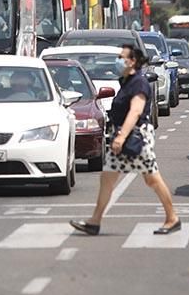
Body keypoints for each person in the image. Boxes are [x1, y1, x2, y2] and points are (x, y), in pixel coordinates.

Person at [70, 43, 181, 236]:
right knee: (107, 178)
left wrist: (121, 137)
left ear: (133, 62)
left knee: (152, 178)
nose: (118, 61)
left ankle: (172, 218)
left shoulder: (139, 83)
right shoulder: (126, 81)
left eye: (122, 57)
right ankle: (95, 221)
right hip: (124, 136)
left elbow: (136, 111)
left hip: (136, 137)